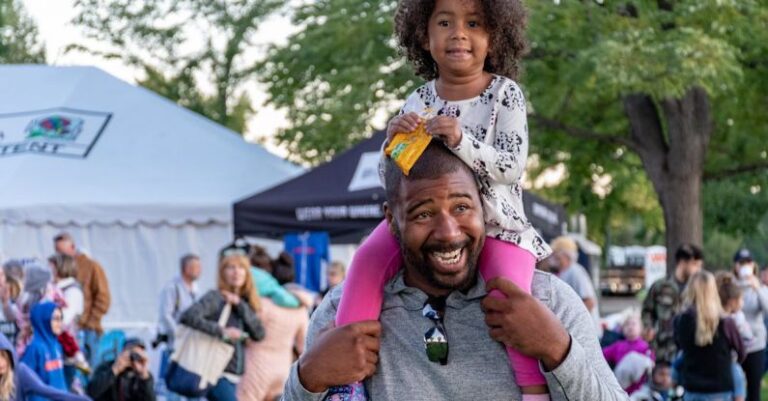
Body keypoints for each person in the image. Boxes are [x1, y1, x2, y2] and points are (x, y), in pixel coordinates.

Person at [282, 141, 626, 400]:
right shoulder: (341, 315)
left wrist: (557, 349)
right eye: (423, 214)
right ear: (392, 220)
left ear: (484, 207)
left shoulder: (549, 301)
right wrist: (307, 378)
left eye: (462, 207)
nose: (449, 232)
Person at [334, 0, 553, 398]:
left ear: (494, 35)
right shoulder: (418, 100)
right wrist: (392, 145)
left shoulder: (506, 95)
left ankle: (533, 389)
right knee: (366, 260)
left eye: (474, 23)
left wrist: (461, 141)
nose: (459, 33)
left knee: (510, 296)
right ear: (424, 35)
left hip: (498, 225)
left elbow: (511, 166)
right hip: (425, 221)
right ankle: (345, 383)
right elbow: (396, 180)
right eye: (445, 22)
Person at [179, 254, 265, 401]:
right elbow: (188, 316)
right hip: (215, 371)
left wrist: (239, 304)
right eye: (231, 267)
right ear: (223, 272)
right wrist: (222, 331)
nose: (236, 272)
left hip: (233, 375)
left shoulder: (246, 303)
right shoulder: (216, 297)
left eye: (241, 268)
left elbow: (259, 333)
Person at [237, 260, 310, 401]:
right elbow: (304, 347)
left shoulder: (261, 306)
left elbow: (247, 334)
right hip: (283, 368)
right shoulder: (300, 309)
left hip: (255, 366)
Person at [674, 271, 745, 401]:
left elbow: (680, 348)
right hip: (719, 386)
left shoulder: (681, 320)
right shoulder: (726, 322)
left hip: (692, 386)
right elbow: (742, 352)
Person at [53, 233, 110, 367]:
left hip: (88, 330)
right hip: (68, 331)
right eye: (56, 251)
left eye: (61, 251)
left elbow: (104, 298)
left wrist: (90, 322)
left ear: (72, 247)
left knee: (89, 371)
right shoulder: (61, 269)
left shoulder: (91, 266)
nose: (58, 255)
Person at [642, 244, 703, 363]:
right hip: (663, 350)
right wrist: (648, 327)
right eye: (695, 265)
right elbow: (647, 310)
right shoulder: (660, 286)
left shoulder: (699, 290)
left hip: (690, 350)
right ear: (683, 262)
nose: (698, 270)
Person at [155, 254, 201, 400]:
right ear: (185, 268)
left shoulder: (196, 289)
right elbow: (165, 315)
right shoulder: (172, 288)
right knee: (173, 384)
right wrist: (178, 333)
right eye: (194, 267)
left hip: (192, 344)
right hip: (176, 344)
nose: (198, 270)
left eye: (199, 267)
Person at [0, 332, 90, 401]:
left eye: (3, 356)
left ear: (9, 354)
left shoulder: (20, 372)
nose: (1, 363)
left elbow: (50, 392)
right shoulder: (36, 347)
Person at [730, 248, 767, 401]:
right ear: (736, 266)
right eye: (741, 263)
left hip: (755, 345)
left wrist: (757, 288)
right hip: (734, 345)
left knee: (754, 389)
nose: (745, 266)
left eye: (748, 263)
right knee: (734, 388)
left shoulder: (761, 288)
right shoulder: (731, 286)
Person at [48, 254, 88, 391]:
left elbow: (64, 319)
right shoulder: (53, 289)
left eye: (52, 267)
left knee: (69, 384)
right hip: (56, 346)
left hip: (68, 348)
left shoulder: (72, 291)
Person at [549, 236, 601, 334]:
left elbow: (589, 302)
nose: (552, 258)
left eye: (556, 255)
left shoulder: (575, 272)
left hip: (586, 334)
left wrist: (570, 323)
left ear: (566, 256)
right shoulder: (561, 272)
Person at [20, 302, 68, 400]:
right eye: (55, 319)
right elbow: (23, 378)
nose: (60, 323)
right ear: (43, 320)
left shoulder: (57, 346)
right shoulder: (35, 348)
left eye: (61, 318)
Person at [716, 272, 751, 401]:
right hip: (731, 362)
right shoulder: (734, 320)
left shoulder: (717, 316)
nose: (743, 303)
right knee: (738, 381)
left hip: (721, 363)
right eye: (741, 299)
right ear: (732, 301)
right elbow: (746, 341)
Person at [86, 338, 154, 401]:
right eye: (131, 352)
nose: (134, 358)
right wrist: (114, 370)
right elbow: (91, 392)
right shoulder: (107, 367)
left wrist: (144, 375)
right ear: (123, 351)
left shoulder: (142, 376)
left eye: (138, 355)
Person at [602, 313, 654, 394]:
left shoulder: (645, 347)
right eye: (627, 324)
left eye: (634, 324)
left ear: (640, 329)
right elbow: (601, 355)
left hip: (638, 391)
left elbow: (650, 364)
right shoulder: (618, 345)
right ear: (622, 329)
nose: (630, 327)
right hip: (620, 390)